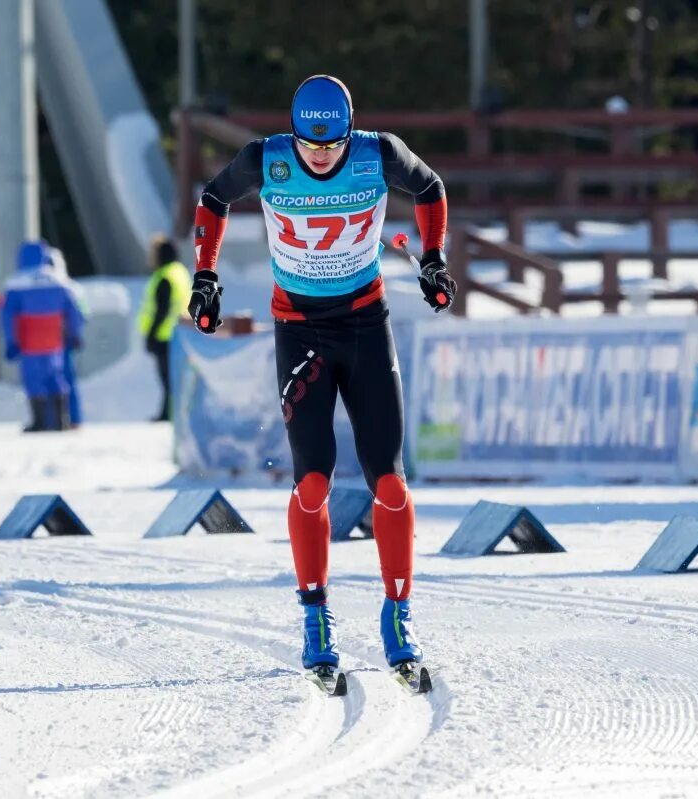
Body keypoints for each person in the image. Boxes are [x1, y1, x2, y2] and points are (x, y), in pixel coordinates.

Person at [186, 75, 456, 689]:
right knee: (313, 480)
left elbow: (431, 187)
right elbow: (213, 197)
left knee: (388, 479)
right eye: (311, 145)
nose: (320, 155)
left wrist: (435, 258)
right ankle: (315, 618)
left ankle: (398, 617)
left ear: (347, 131)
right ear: (295, 130)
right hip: (299, 329)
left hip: (365, 325)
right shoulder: (267, 158)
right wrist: (206, 276)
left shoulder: (377, 153)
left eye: (331, 145)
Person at [0, 240, 86, 432]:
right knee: (56, 376)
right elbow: (73, 311)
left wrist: (11, 341)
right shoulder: (58, 281)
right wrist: (74, 334)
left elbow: (7, 317)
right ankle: (62, 420)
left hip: (29, 339)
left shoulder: (15, 284)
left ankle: (40, 422)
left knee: (33, 378)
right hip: (53, 339)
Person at [137, 235, 192, 422]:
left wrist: (151, 334)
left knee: (167, 378)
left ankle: (168, 414)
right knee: (174, 377)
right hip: (179, 332)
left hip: (164, 334)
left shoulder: (165, 276)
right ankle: (170, 412)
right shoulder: (179, 272)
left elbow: (162, 309)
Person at [50, 246, 87, 427]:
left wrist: (73, 333)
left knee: (61, 380)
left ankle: (67, 419)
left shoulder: (68, 288)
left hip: (59, 341)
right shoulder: (69, 287)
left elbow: (79, 314)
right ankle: (66, 419)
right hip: (59, 340)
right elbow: (80, 314)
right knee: (63, 381)